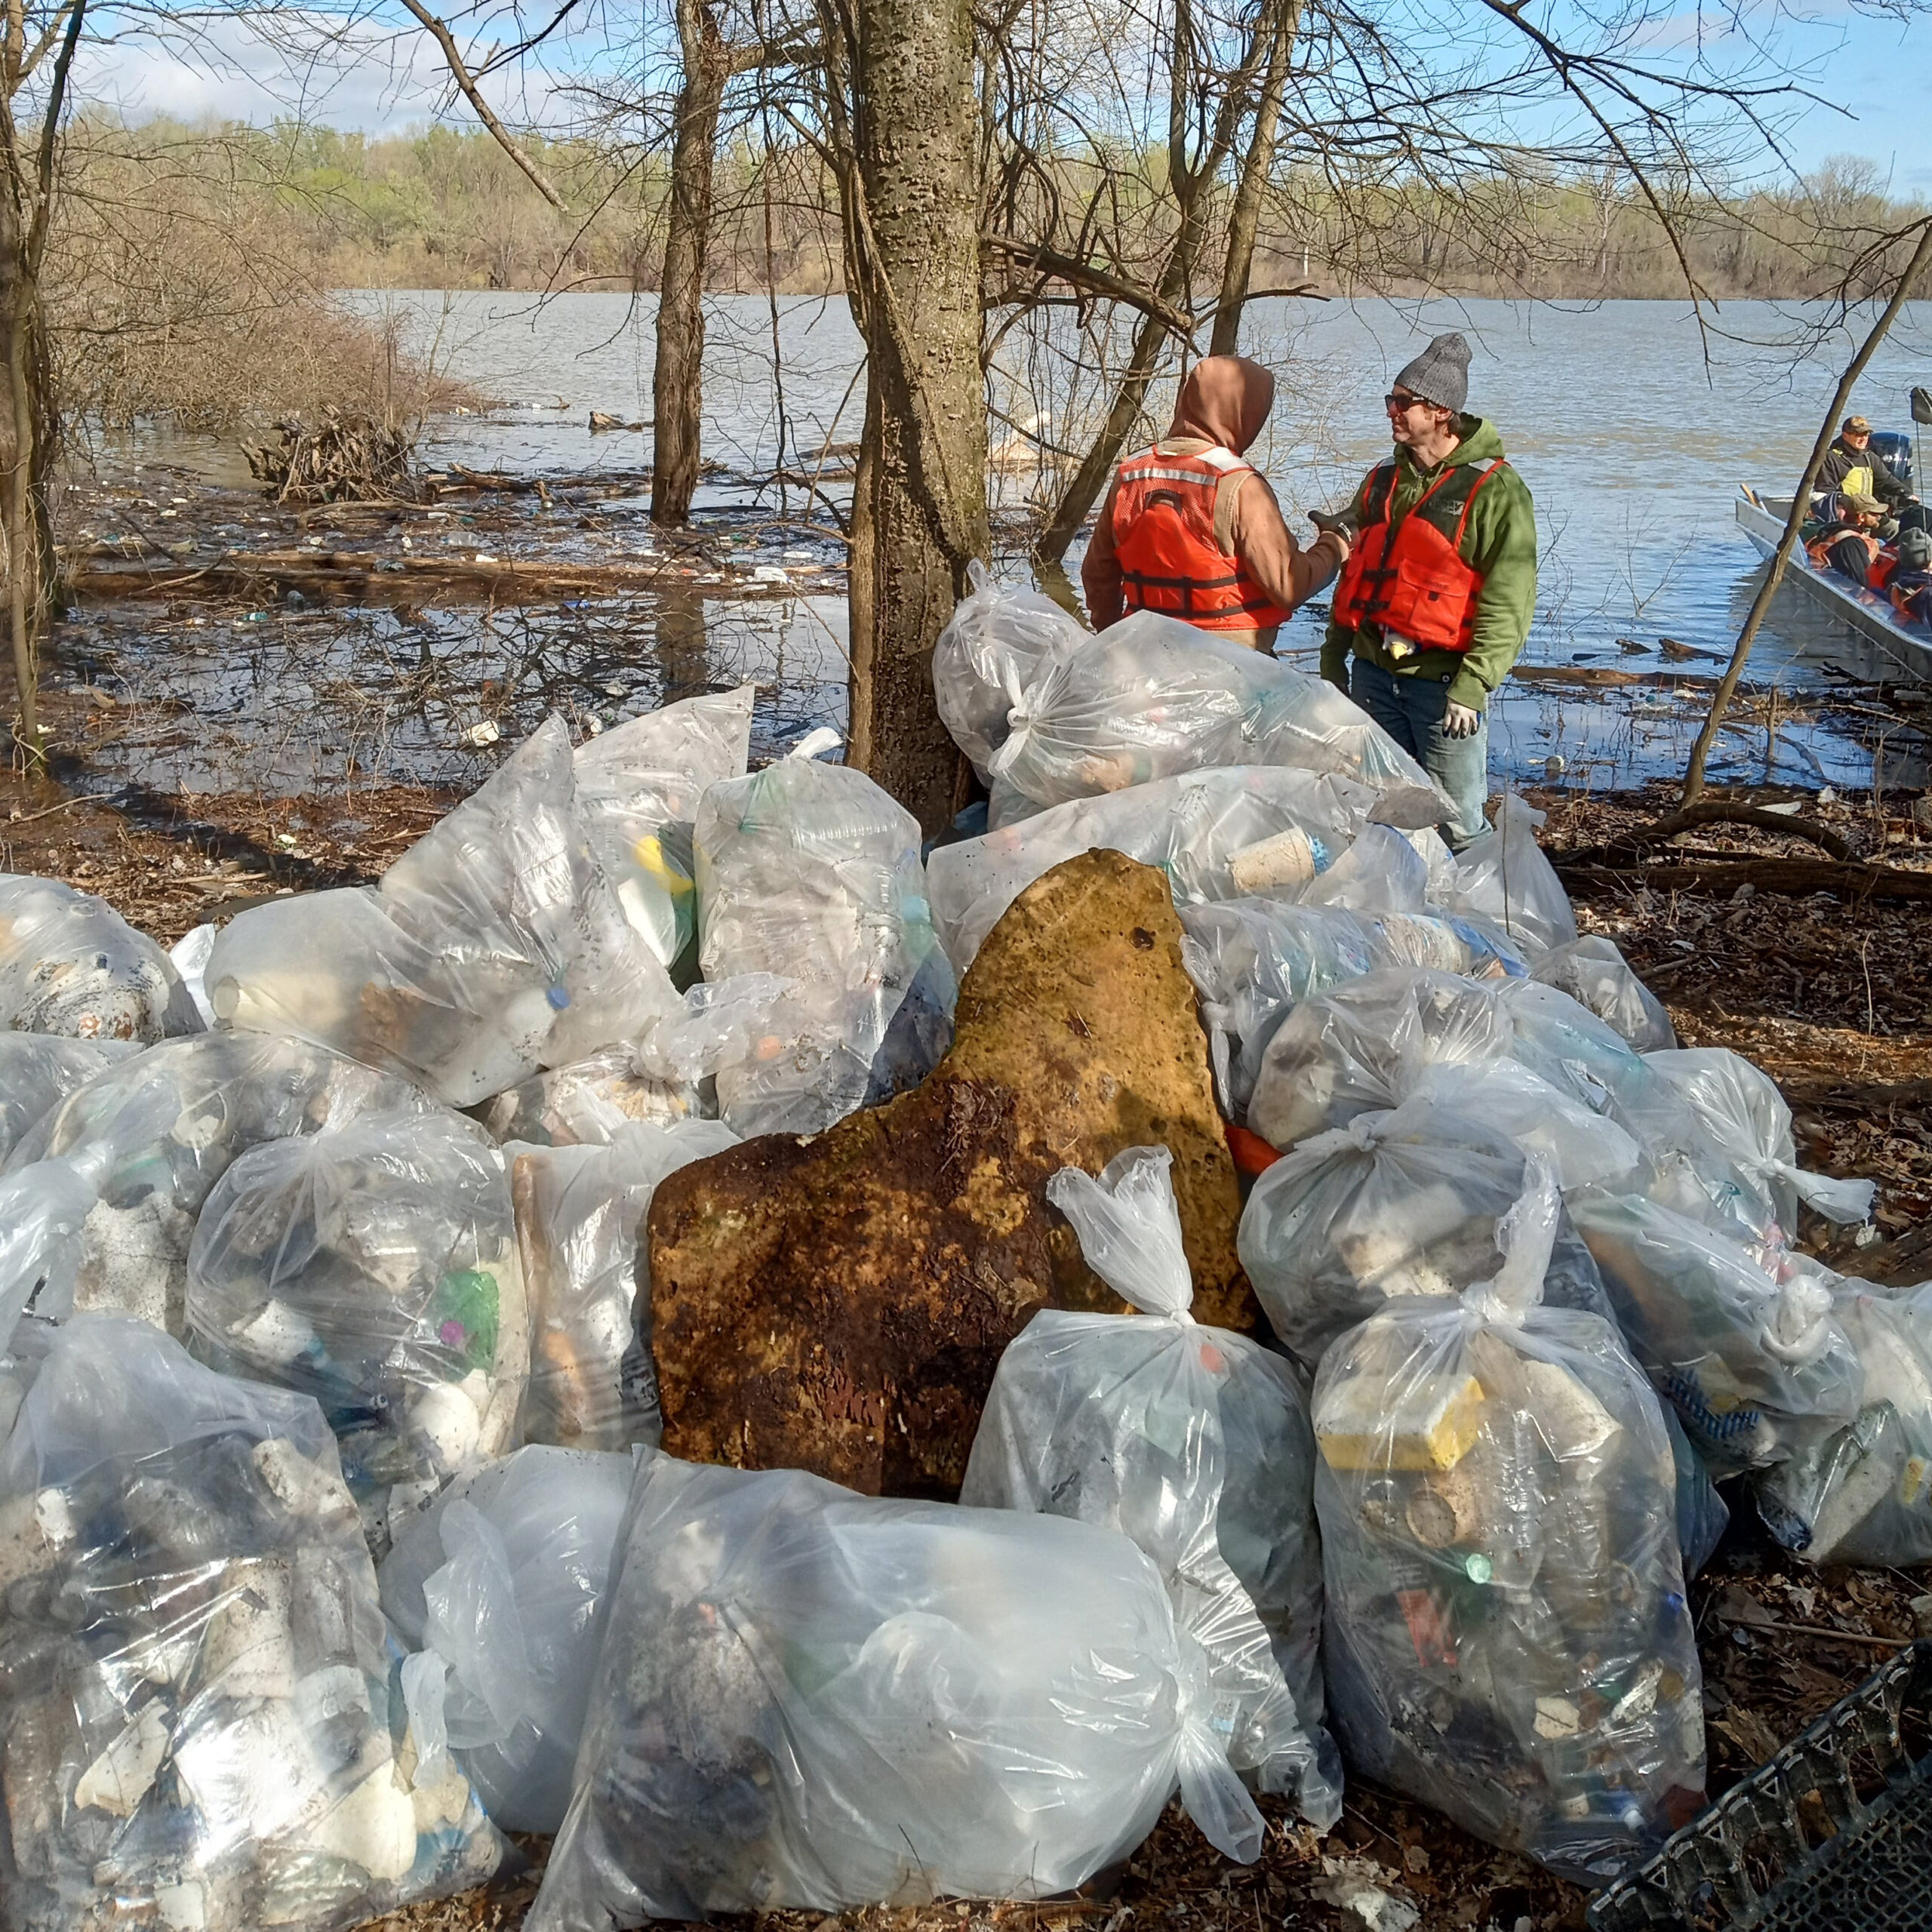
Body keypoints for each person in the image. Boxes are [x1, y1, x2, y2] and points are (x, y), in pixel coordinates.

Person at [1317, 331, 1537, 850]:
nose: (1391, 411)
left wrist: (1474, 684)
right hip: (1374, 677)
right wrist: (1334, 658)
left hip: (1442, 690)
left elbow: (1509, 603)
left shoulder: (1496, 492)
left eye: (1402, 402)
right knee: (1380, 814)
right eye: (1390, 400)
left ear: (1440, 411)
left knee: (1459, 826)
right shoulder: (1380, 481)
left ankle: (1479, 924)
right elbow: (1356, 578)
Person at [1082, 355, 1349, 651]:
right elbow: (1288, 584)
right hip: (1231, 663)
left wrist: (1114, 639)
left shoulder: (1130, 475)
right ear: (1243, 411)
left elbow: (1097, 575)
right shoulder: (1241, 485)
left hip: (1145, 651)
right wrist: (1335, 545)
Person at [1816, 415, 1914, 513]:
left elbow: (1886, 481)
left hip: (1867, 510)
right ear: (1845, 436)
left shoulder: (1870, 457)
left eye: (1866, 434)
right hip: (1844, 511)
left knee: (1892, 526)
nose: (1863, 439)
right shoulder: (1832, 458)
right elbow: (1825, 490)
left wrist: (1906, 493)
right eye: (1858, 435)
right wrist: (1849, 504)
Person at [1804, 491, 1885, 586]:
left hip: (1818, 584)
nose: (1878, 517)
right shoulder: (1851, 542)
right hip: (1835, 594)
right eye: (1874, 514)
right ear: (1861, 517)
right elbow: (1863, 581)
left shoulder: (1832, 530)